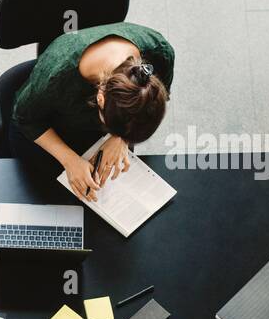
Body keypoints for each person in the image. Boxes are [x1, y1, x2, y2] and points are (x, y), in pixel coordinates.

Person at [9, 22, 173, 200]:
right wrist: (70, 161)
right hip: (48, 127)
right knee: (55, 197)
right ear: (100, 98)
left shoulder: (160, 52)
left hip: (96, 129)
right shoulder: (56, 75)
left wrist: (119, 140)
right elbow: (24, 117)